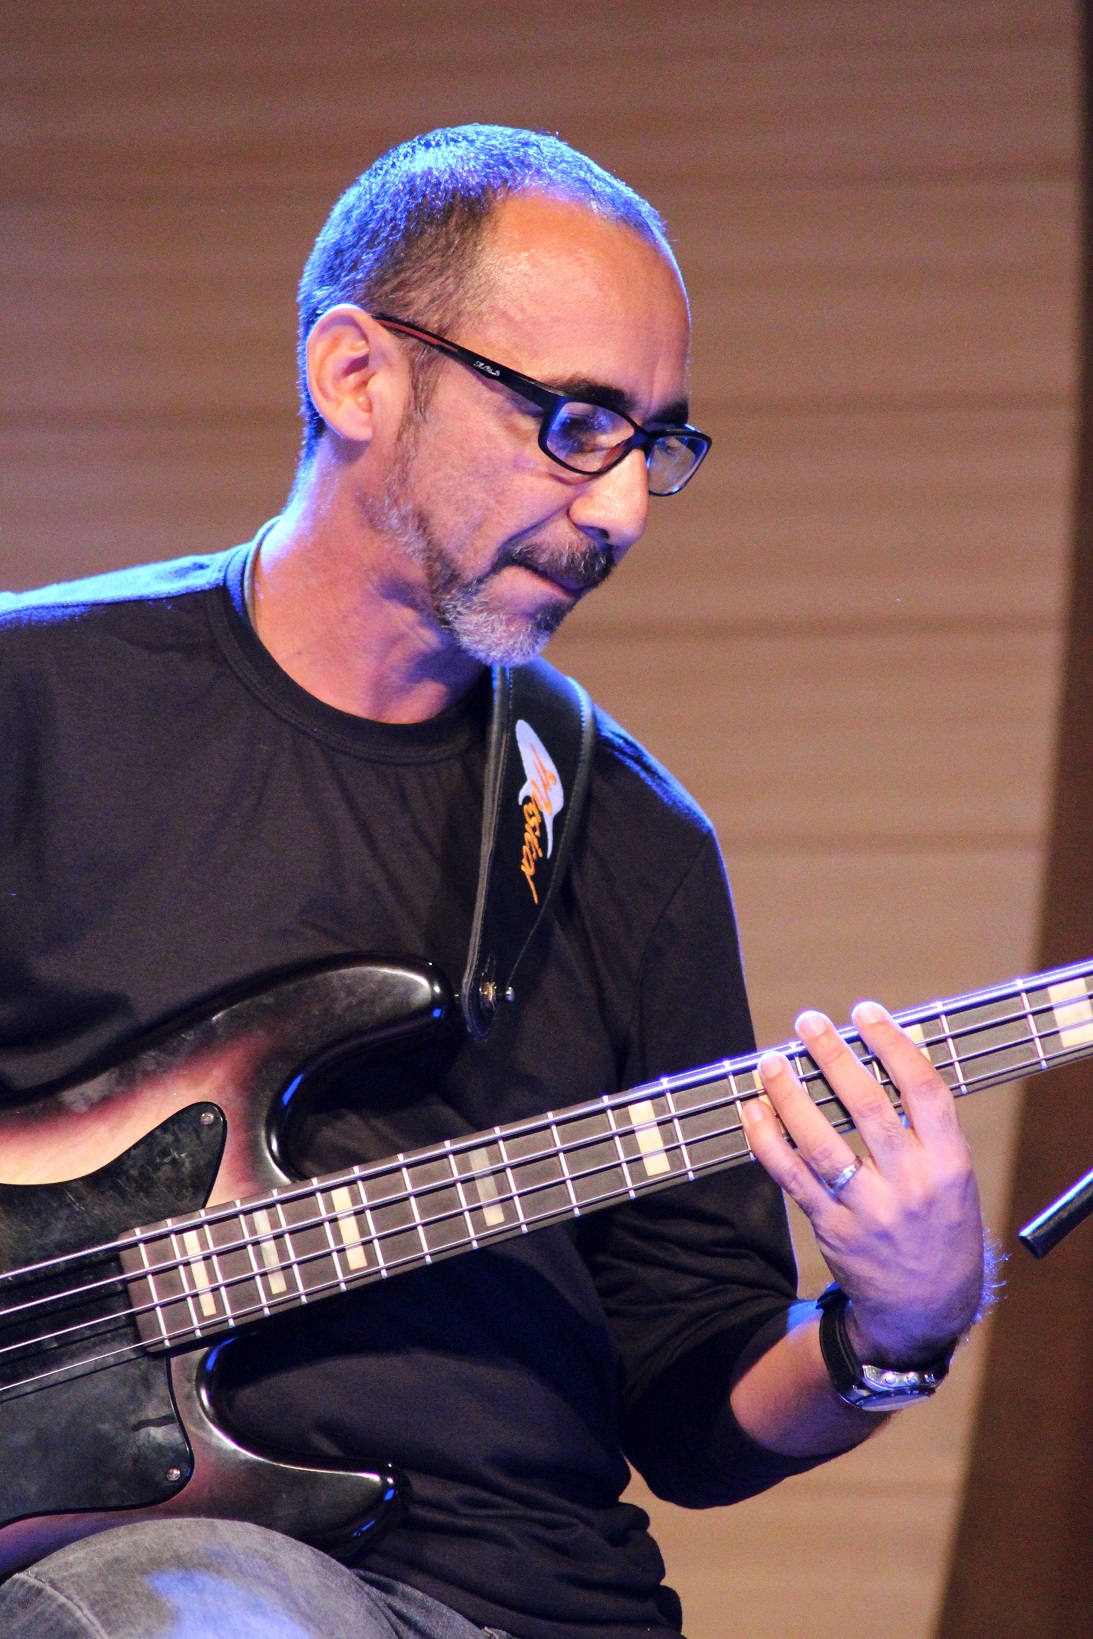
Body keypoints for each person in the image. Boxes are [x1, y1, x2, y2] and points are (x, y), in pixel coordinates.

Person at [0, 125, 984, 1639]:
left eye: (654, 444)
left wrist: (891, 1332)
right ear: (357, 376)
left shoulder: (629, 841)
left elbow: (696, 1412)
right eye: (575, 424)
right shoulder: (40, 707)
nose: (622, 510)